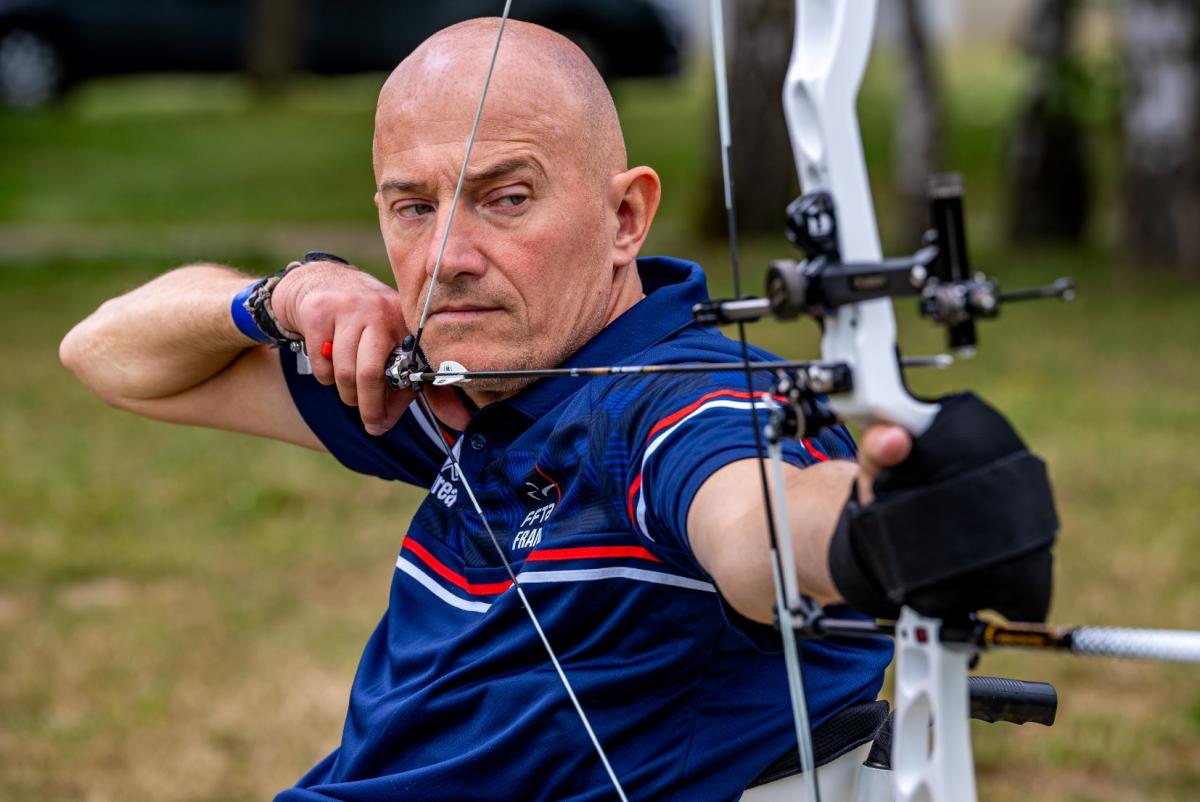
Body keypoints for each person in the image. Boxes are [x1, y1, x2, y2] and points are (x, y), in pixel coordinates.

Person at [59, 18, 1055, 802]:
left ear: (625, 217)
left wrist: (880, 525)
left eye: (504, 198)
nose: (447, 256)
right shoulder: (461, 390)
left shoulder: (673, 398)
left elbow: (756, 524)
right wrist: (285, 296)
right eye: (412, 207)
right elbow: (108, 355)